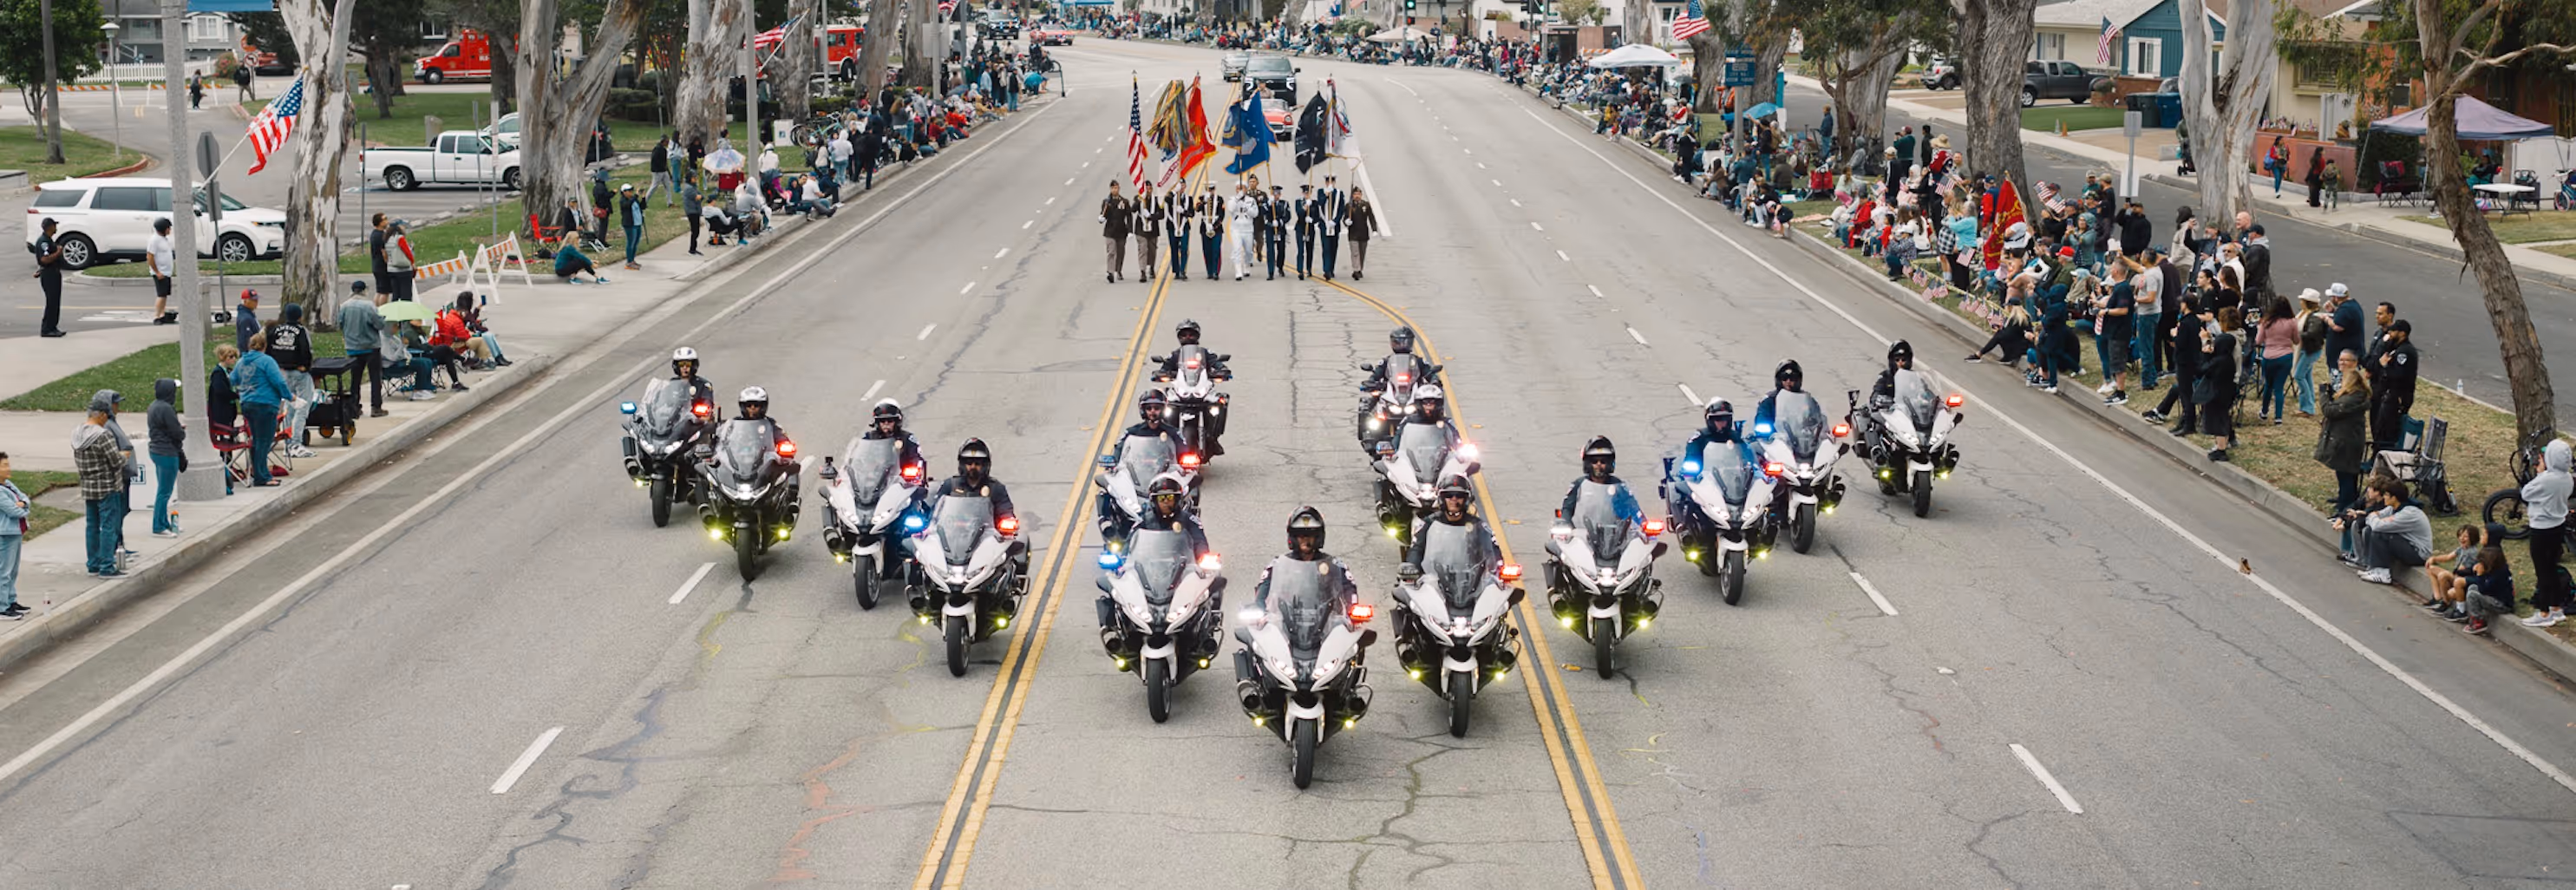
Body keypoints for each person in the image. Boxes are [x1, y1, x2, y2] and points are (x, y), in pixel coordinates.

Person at [2336, 476, 2430, 585]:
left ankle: (2383, 574)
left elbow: (2377, 525)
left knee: (2380, 534)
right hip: (2406, 544)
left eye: (2386, 495)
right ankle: (2373, 568)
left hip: (2419, 553)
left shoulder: (2408, 513)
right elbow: (2372, 517)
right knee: (2369, 530)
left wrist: (2373, 518)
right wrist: (2373, 518)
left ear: (2394, 498)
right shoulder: (2392, 508)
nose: (2384, 497)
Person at [2520, 441, 2572, 628]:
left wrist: (2541, 472)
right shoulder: (2567, 478)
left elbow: (2526, 493)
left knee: (2542, 570)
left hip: (2541, 529)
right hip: (2558, 526)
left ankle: (2543, 612)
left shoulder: (2546, 479)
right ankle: (2557, 608)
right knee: (2551, 566)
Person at [2314, 349, 2370, 512]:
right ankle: (2344, 498)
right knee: (2342, 473)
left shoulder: (2355, 395)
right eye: (2340, 360)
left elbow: (2331, 410)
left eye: (2346, 360)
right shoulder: (2350, 391)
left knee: (2346, 474)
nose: (2342, 364)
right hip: (2344, 436)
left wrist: (2324, 395)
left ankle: (2345, 507)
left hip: (2348, 440)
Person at [75, 406, 127, 576]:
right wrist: (124, 456)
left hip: (88, 486)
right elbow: (115, 461)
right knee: (108, 527)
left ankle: (93, 563)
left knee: (92, 526)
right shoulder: (103, 435)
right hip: (106, 486)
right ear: (102, 416)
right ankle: (106, 566)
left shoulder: (77, 433)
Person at [266, 304, 317, 458]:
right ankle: (296, 443)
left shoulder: (275, 330)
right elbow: (306, 350)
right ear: (300, 316)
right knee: (302, 407)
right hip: (299, 373)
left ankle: (288, 443)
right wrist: (306, 366)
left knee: (289, 407)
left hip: (282, 372)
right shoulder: (301, 331)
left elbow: (270, 349)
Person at [92, 390, 135, 564]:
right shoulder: (107, 426)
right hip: (118, 476)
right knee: (116, 514)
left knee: (122, 511)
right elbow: (114, 453)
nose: (118, 406)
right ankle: (116, 547)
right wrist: (123, 459)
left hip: (124, 474)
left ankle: (120, 545)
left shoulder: (112, 423)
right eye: (115, 403)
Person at [337, 280, 389, 419]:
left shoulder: (344, 306)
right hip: (371, 347)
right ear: (364, 290)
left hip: (353, 348)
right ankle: (376, 407)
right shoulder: (369, 306)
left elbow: (339, 323)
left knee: (355, 379)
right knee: (375, 377)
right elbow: (379, 325)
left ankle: (354, 407)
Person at [2368, 319, 2419, 453]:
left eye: (2393, 331)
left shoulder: (2405, 352)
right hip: (2389, 395)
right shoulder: (2396, 347)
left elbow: (2398, 375)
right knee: (2380, 427)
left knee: (2388, 430)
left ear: (2402, 333)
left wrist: (2384, 365)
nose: (2390, 333)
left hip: (2397, 397)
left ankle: (2385, 456)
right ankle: (2378, 455)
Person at [2199, 306, 2242, 461]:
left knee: (2218, 415)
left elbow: (2207, 367)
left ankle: (2221, 446)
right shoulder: (2237, 338)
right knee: (2224, 412)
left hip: (2222, 384)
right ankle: (2229, 438)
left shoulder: (2226, 345)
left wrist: (2206, 344)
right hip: (2233, 381)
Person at [146, 378, 185, 537]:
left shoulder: (154, 406)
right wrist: (181, 432)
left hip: (156, 450)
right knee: (165, 491)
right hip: (167, 452)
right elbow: (177, 433)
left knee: (163, 490)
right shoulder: (167, 409)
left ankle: (164, 522)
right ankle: (158, 525)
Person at [2252, 294, 2298, 424]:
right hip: (2285, 356)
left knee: (2268, 385)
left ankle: (2264, 411)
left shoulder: (2266, 322)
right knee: (2279, 388)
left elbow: (2258, 340)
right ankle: (2278, 417)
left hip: (2269, 356)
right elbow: (2296, 340)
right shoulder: (2292, 322)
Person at [2291, 289, 2327, 416]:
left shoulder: (2314, 318)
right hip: (2306, 349)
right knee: (2306, 376)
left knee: (2299, 375)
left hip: (2310, 350)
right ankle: (2309, 405)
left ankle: (2307, 407)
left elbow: (2312, 333)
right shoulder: (2305, 314)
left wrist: (2297, 335)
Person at [1749, 360, 1808, 436]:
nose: (1788, 381)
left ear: (1798, 380)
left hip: (1801, 442)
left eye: (1793, 378)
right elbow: (1762, 417)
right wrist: (1767, 430)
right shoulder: (1768, 400)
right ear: (1779, 379)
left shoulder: (1805, 400)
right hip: (1774, 441)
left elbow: (1815, 418)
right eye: (1784, 378)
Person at [0, 452, 25, 618]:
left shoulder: (8, 484)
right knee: (4, 571)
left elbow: (25, 499)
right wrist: (22, 508)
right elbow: (13, 510)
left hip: (16, 532)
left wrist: (23, 504)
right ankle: (2, 606)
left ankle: (11, 600)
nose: (8, 468)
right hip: (6, 534)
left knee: (13, 570)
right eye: (4, 465)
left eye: (8, 464)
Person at [2323, 284, 2362, 386]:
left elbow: (2338, 326)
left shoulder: (2346, 309)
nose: (2331, 299)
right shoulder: (2350, 306)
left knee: (2341, 385)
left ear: (2336, 297)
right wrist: (2333, 311)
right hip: (2343, 355)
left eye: (2332, 297)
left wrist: (2326, 318)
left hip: (2343, 358)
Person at [33, 217, 67, 337]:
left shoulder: (48, 240)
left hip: (52, 273)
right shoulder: (44, 242)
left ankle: (53, 327)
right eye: (54, 225)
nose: (56, 228)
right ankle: (47, 329)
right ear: (50, 227)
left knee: (55, 302)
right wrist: (58, 252)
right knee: (52, 302)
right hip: (50, 275)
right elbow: (44, 259)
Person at [1226, 182, 1260, 281]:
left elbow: (1255, 213)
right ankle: (1238, 271)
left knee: (1249, 251)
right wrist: (1237, 199)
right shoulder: (1232, 200)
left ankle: (1246, 265)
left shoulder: (1251, 200)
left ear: (1246, 189)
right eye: (1238, 188)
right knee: (1237, 250)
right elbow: (1230, 209)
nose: (1240, 190)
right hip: (1236, 229)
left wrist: (1247, 209)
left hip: (1248, 229)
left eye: (1242, 188)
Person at [1099, 180, 1132, 283]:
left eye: (1116, 188)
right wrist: (1101, 218)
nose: (1114, 190)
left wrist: (1130, 230)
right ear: (1110, 189)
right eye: (1113, 188)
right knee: (1111, 252)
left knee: (1120, 252)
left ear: (1119, 188)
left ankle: (1119, 270)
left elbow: (1129, 216)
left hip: (1121, 231)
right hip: (1110, 231)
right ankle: (1110, 272)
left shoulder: (1124, 201)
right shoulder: (1106, 202)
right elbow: (1104, 214)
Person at [147, 218, 178, 324]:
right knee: (161, 295)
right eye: (168, 228)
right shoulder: (154, 240)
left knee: (164, 295)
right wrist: (157, 272)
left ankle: (162, 314)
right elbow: (150, 257)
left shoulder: (163, 239)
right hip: (160, 272)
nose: (170, 230)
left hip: (166, 272)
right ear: (163, 229)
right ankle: (156, 316)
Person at [1317, 174, 1347, 279]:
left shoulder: (1339, 193)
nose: (1330, 184)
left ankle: (1331, 269)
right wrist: (1326, 194)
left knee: (1334, 248)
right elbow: (1320, 203)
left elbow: (1341, 208)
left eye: (1332, 182)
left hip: (1335, 225)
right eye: (1328, 182)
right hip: (1324, 225)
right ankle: (1326, 270)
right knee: (1326, 248)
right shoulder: (1321, 192)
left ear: (1334, 183)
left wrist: (1335, 221)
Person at [1132, 185, 1162, 284]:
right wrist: (1139, 201)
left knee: (1152, 250)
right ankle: (1143, 271)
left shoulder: (1156, 200)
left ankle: (1152, 267)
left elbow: (1162, 214)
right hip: (1141, 230)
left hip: (1153, 230)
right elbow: (1133, 210)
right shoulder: (1139, 199)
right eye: (1146, 189)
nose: (1148, 191)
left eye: (1149, 189)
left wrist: (1151, 217)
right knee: (1143, 249)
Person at [1346, 188, 1378, 280]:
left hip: (1363, 233)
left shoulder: (1366, 205)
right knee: (1355, 253)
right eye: (1355, 194)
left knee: (1362, 253)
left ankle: (1360, 269)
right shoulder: (1349, 206)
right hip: (1353, 233)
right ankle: (1356, 270)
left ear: (1361, 195)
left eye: (1358, 194)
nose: (1357, 196)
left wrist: (1374, 229)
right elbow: (1345, 217)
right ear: (1352, 195)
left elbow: (1371, 218)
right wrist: (1346, 221)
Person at [1163, 187, 1194, 279]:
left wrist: (1184, 211)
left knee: (1184, 248)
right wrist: (1174, 191)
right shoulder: (1170, 198)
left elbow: (1192, 214)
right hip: (1172, 227)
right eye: (1178, 187)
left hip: (1184, 227)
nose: (1180, 188)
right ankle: (1176, 271)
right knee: (1174, 249)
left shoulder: (1188, 199)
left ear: (1185, 187)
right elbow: (1165, 199)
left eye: (1182, 186)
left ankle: (1183, 270)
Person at [1261, 185, 1290, 280]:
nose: (1275, 195)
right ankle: (1271, 272)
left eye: (1277, 193)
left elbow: (1288, 216)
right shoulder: (1266, 203)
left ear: (1280, 194)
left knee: (1281, 249)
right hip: (1270, 228)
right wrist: (1269, 203)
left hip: (1280, 229)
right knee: (1270, 251)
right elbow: (1262, 212)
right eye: (1274, 193)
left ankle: (1280, 266)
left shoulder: (1284, 203)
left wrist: (1280, 221)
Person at [1197, 184, 1226, 281]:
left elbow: (1222, 215)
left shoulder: (1220, 199)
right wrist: (1204, 201)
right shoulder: (1202, 198)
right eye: (1209, 189)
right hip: (1205, 227)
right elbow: (1197, 209)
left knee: (1216, 249)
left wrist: (1214, 226)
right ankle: (1209, 271)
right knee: (1207, 250)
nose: (1211, 191)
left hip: (1216, 228)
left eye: (1212, 189)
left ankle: (1216, 271)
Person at [1293, 183, 1321, 279]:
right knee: (1301, 250)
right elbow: (1299, 214)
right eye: (1305, 193)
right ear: (1302, 193)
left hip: (1310, 229)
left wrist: (1312, 220)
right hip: (1300, 228)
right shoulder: (1298, 202)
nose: (1307, 195)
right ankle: (1300, 270)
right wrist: (1305, 207)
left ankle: (1309, 269)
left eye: (1308, 193)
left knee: (1310, 250)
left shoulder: (1315, 203)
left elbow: (1318, 217)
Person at [618, 182, 649, 270]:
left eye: (631, 191)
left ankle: (632, 260)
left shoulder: (633, 199)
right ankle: (629, 262)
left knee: (635, 243)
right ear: (624, 192)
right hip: (630, 224)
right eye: (629, 191)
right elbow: (627, 205)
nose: (631, 192)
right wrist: (636, 195)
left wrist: (643, 197)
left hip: (637, 223)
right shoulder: (623, 201)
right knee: (630, 243)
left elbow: (642, 207)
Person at [649, 135, 675, 205]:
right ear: (663, 142)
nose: (668, 143)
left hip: (663, 170)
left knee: (668, 186)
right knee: (654, 186)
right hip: (658, 171)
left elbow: (665, 162)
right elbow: (654, 160)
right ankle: (645, 200)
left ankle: (670, 202)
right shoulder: (657, 149)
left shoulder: (664, 150)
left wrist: (669, 173)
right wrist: (658, 168)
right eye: (667, 142)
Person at [681, 181, 705, 256]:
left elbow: (701, 196)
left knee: (696, 230)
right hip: (692, 211)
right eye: (694, 178)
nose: (696, 179)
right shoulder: (689, 189)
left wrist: (700, 196)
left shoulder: (693, 187)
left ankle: (694, 248)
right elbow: (697, 197)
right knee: (695, 231)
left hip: (696, 211)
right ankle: (692, 250)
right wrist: (700, 196)